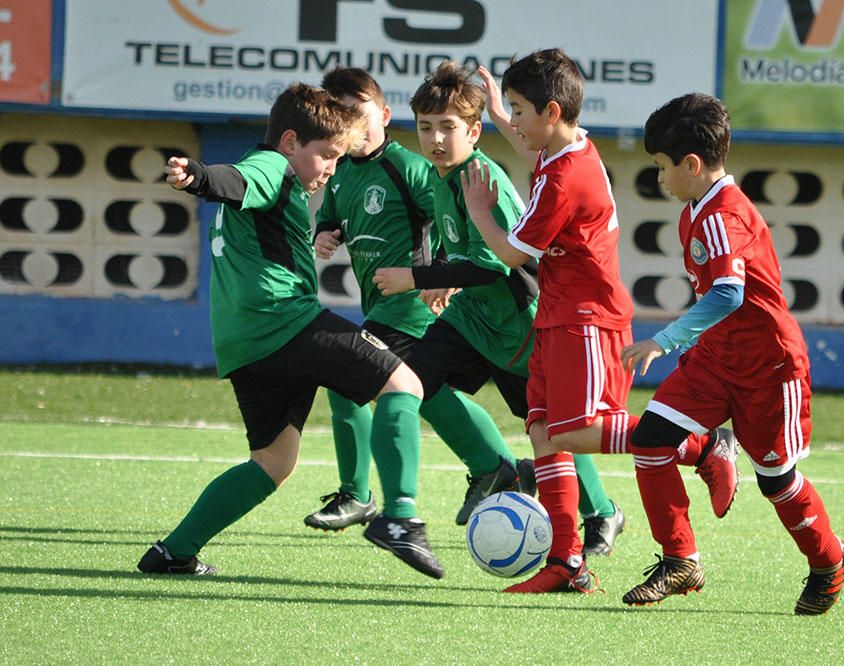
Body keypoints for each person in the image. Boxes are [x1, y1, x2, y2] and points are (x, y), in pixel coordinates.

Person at [137, 83, 444, 580]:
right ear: (288, 142)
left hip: (245, 343)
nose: (330, 168)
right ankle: (400, 518)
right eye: (325, 155)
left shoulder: (279, 174)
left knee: (274, 462)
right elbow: (233, 180)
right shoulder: (271, 168)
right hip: (284, 322)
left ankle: (173, 552)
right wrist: (196, 177)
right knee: (404, 384)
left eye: (339, 158)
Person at [460, 50, 740, 594]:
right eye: (511, 110)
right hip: (559, 315)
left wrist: (478, 213)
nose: (514, 122)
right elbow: (529, 142)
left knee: (574, 430)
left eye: (519, 110)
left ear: (551, 110)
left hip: (587, 319)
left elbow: (514, 255)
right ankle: (567, 563)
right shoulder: (564, 145)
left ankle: (704, 446)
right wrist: (497, 113)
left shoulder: (564, 175)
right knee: (543, 431)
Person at [373, 61, 628, 554]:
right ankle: (496, 468)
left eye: (448, 127)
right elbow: (458, 244)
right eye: (426, 128)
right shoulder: (440, 176)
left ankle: (602, 511)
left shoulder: (483, 177)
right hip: (474, 320)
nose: (435, 139)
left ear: (473, 130)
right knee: (413, 382)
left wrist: (417, 277)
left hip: (519, 327)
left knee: (557, 429)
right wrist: (442, 276)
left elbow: (500, 264)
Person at [618, 92, 844, 614]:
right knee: (651, 440)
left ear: (691, 163)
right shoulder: (695, 211)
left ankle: (829, 561)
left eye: (661, 167)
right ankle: (680, 560)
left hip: (769, 368)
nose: (659, 178)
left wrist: (663, 340)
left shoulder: (722, 217)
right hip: (715, 360)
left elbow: (728, 293)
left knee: (776, 482)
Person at [303, 66, 530, 532]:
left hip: (413, 307)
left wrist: (436, 277)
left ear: (383, 115)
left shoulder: (412, 168)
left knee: (352, 375)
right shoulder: (341, 171)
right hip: (398, 303)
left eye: (358, 113)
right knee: (426, 392)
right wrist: (326, 233)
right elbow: (329, 216)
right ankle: (503, 468)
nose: (350, 124)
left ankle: (364, 496)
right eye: (339, 115)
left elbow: (461, 231)